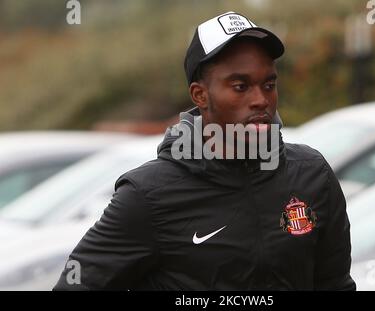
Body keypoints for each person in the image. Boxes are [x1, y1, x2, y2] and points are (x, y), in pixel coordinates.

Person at [54, 11, 356, 291]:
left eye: (269, 84)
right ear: (200, 95)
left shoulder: (312, 174)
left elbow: (336, 284)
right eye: (240, 86)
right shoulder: (148, 196)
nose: (261, 100)